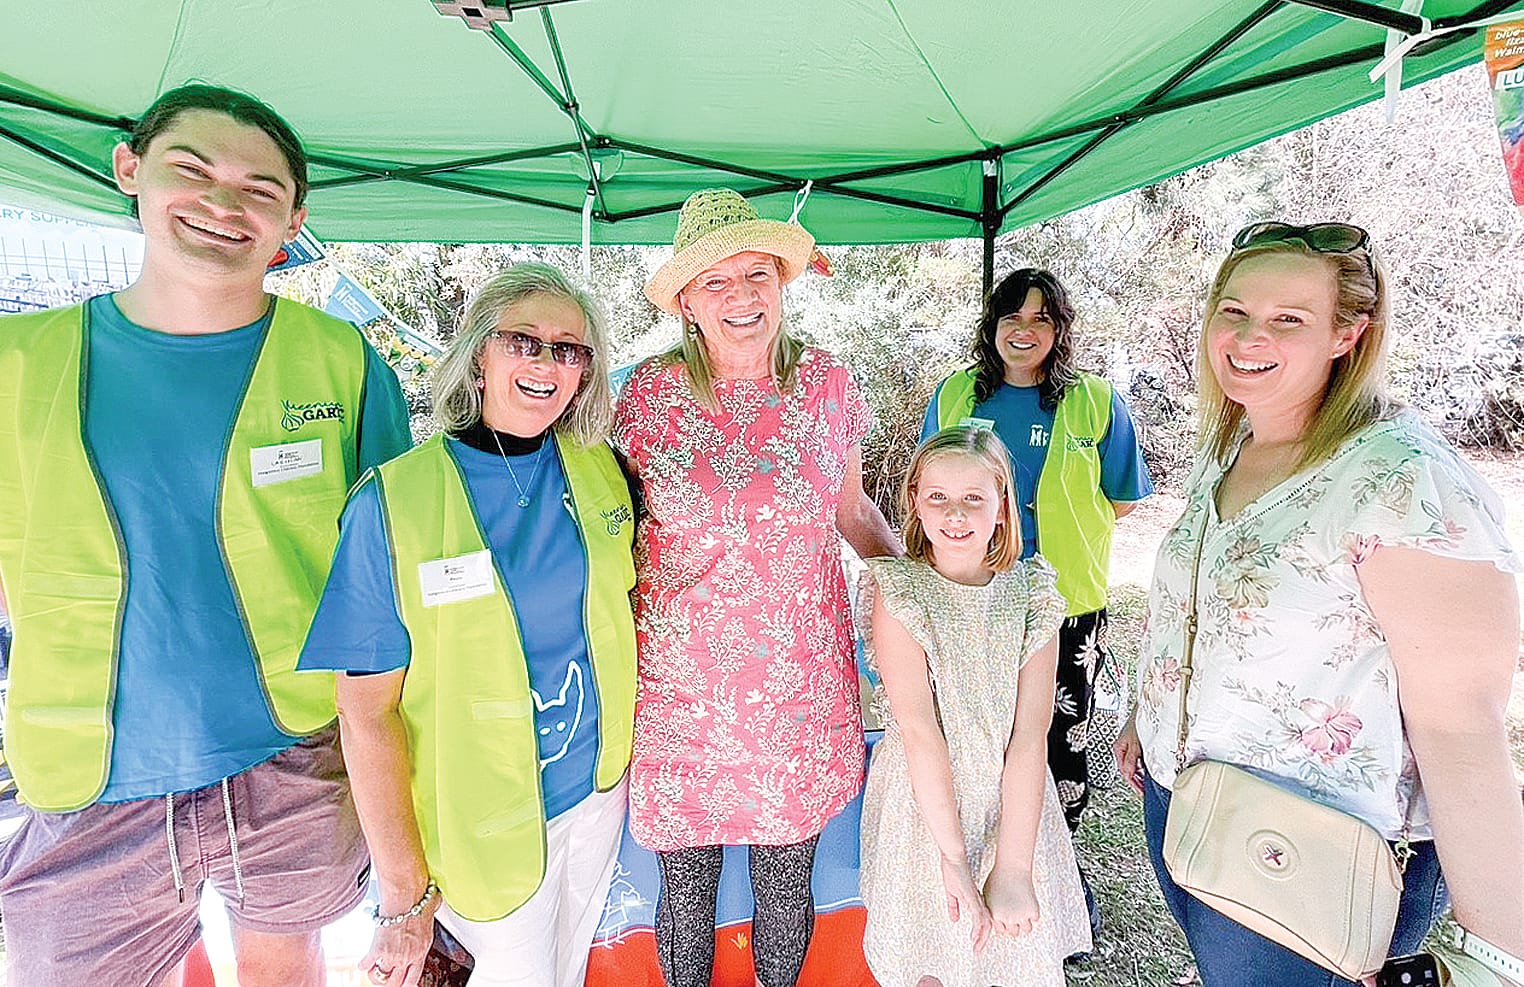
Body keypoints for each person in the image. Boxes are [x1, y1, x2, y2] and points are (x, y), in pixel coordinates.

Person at [0, 84, 412, 986]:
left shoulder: (341, 361)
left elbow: (386, 575)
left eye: (260, 189)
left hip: (292, 746)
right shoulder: (16, 364)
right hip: (87, 768)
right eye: (192, 169)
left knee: (286, 965)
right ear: (129, 170)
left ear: (294, 218)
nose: (225, 204)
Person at [1115, 222, 1524, 986]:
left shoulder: (1403, 480)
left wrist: (1498, 955)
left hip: (1317, 851)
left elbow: (1463, 725)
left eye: (1287, 319)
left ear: (1349, 333)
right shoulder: (1233, 441)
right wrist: (1152, 712)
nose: (1247, 336)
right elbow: (1199, 596)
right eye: (1232, 310)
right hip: (1190, 802)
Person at [299, 263, 636, 987]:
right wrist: (403, 894)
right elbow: (364, 714)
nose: (549, 362)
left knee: (567, 971)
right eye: (526, 340)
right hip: (479, 826)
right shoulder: (394, 502)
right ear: (479, 353)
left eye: (569, 349)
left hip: (596, 796)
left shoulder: (602, 471)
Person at [614, 188, 901, 987]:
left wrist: (929, 590)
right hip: (680, 696)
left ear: (782, 280)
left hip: (795, 689)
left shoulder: (829, 384)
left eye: (756, 274)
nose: (740, 295)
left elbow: (851, 511)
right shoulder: (643, 395)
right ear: (687, 304)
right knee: (686, 890)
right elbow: (609, 528)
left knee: (785, 885)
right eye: (716, 282)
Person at [921, 268, 1152, 932]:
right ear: (991, 328)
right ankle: (979, 867)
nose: (1025, 332)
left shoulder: (1098, 402)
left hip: (1067, 604)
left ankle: (1055, 873)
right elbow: (932, 477)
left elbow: (1125, 495)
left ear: (1060, 330)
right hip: (974, 598)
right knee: (981, 736)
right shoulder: (958, 393)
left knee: (1059, 743)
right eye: (1012, 319)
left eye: (1041, 319)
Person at [858, 426, 1090, 987]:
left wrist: (1012, 865)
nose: (955, 513)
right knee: (930, 958)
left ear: (1003, 508)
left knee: (1008, 958)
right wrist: (954, 858)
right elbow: (918, 730)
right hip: (924, 808)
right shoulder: (901, 592)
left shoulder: (1032, 591)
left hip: (1013, 801)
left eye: (974, 498)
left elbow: (1030, 736)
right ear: (914, 500)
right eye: (937, 496)